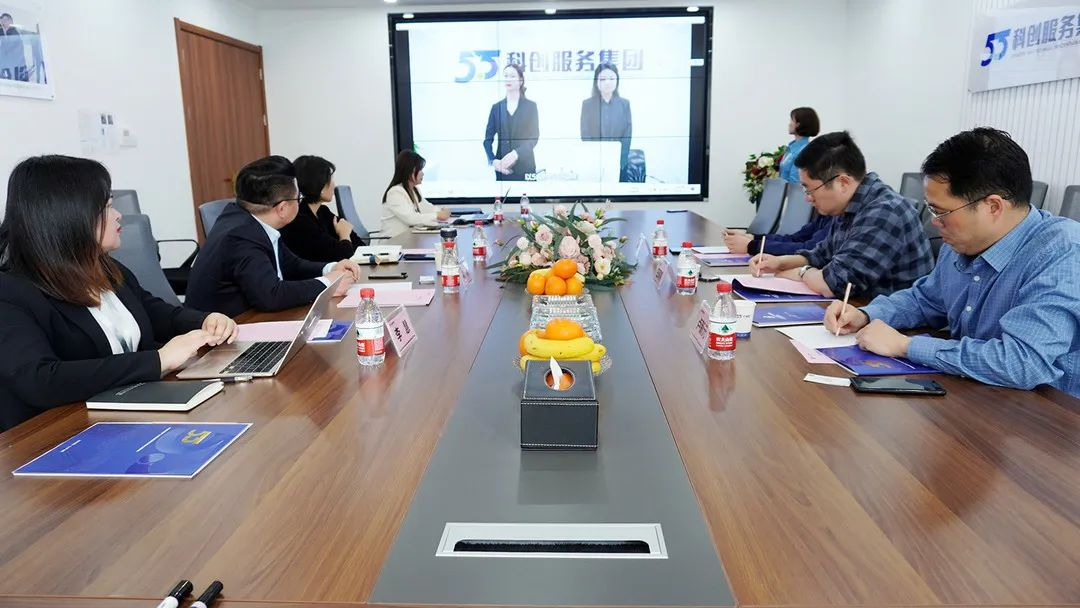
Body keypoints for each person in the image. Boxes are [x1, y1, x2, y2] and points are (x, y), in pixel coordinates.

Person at [826, 128, 1080, 397]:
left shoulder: (1062, 253)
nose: (934, 222)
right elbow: (926, 299)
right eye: (931, 208)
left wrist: (905, 346)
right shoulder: (962, 239)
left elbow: (1022, 363)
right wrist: (867, 314)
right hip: (977, 392)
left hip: (1050, 410)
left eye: (941, 211)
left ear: (993, 207)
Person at [0, 155, 238, 431]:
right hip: (59, 432)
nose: (118, 215)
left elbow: (154, 313)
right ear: (68, 217)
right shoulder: (11, 292)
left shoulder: (104, 267)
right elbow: (40, 379)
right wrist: (158, 360)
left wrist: (205, 321)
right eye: (107, 208)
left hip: (128, 412)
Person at [749, 131, 933, 298]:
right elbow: (821, 255)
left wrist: (801, 272)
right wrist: (779, 263)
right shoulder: (850, 205)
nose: (807, 198)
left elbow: (835, 284)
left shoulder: (884, 213)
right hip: (858, 309)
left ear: (842, 183)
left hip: (889, 320)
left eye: (809, 189)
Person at [186, 156, 360, 317]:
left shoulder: (250, 220)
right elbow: (271, 295)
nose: (300, 202)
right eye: (298, 198)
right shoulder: (241, 236)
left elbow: (291, 264)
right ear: (282, 208)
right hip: (222, 330)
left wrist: (330, 268)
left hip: (249, 318)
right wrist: (327, 284)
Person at [279, 155, 366, 263]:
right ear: (320, 185)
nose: (333, 184)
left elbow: (360, 247)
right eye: (330, 179)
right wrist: (344, 234)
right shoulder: (299, 219)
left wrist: (345, 237)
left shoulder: (322, 212)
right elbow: (343, 256)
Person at [483, 63, 540, 181]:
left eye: (512, 76)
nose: (508, 79)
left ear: (521, 81)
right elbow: (487, 140)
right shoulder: (496, 108)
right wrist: (493, 161)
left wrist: (516, 154)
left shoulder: (531, 106)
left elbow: (534, 137)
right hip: (502, 168)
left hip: (526, 167)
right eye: (506, 76)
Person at [580, 62, 633, 182]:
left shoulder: (624, 104)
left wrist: (621, 161)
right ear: (596, 82)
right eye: (603, 79)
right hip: (594, 163)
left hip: (618, 162)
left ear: (617, 81)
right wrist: (593, 159)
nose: (607, 82)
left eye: (611, 78)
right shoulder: (587, 105)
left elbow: (627, 135)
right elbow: (585, 134)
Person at [380, 150, 451, 238]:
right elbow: (411, 218)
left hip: (408, 239)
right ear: (410, 171)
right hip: (393, 242)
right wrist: (437, 215)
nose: (423, 173)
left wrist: (441, 211)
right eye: (420, 169)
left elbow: (426, 207)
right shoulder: (395, 193)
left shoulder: (414, 190)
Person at [724, 214, 836, 255]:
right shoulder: (825, 215)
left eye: (811, 191)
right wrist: (753, 237)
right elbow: (794, 239)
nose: (807, 198)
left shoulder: (837, 219)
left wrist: (754, 246)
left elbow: (810, 249)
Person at [779, 107, 819, 184]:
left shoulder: (803, 151)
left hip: (790, 191)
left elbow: (795, 183)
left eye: (792, 120)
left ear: (799, 124)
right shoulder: (792, 147)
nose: (789, 124)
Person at [0, 12, 28, 82]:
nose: (3, 23)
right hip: (12, 69)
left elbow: (7, 50)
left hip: (16, 70)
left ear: (11, 21)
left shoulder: (13, 33)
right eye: (2, 21)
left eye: (5, 20)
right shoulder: (5, 34)